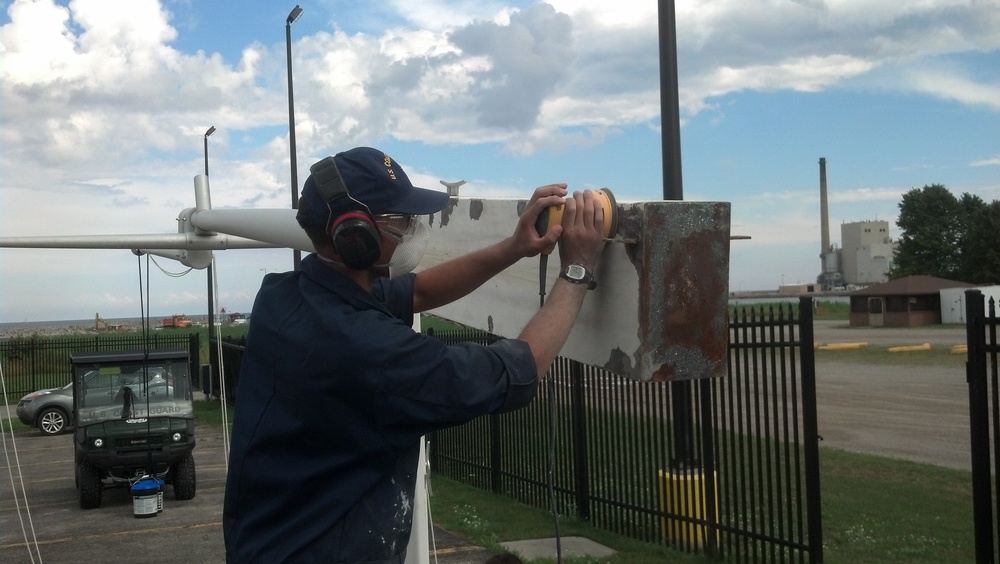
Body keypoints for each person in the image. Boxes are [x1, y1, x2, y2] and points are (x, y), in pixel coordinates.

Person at [223, 146, 606, 563]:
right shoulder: (370, 351)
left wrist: (513, 247)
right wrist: (577, 269)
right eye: (399, 220)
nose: (409, 230)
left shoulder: (284, 297)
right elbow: (521, 368)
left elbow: (418, 291)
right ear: (356, 235)